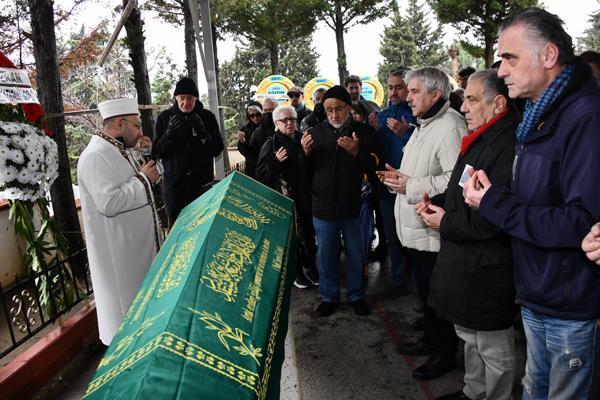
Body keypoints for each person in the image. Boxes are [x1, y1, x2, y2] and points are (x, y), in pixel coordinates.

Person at [463, 8, 600, 399]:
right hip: (537, 291)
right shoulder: (538, 115)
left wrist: (494, 204)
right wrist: (494, 196)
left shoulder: (585, 117)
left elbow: (581, 223)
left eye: (510, 58)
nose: (501, 70)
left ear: (549, 56)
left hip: (569, 302)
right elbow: (539, 199)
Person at [423, 70, 518, 400]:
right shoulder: (481, 137)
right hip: (466, 262)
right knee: (470, 336)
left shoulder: (507, 146)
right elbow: (463, 189)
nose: (463, 108)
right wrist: (436, 202)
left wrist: (444, 223)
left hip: (487, 267)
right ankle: (474, 392)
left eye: (473, 100)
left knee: (494, 348)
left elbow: (496, 220)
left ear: (499, 103)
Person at [379, 67, 466, 380]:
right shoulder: (424, 123)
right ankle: (431, 340)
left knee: (438, 298)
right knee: (428, 296)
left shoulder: (450, 126)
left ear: (435, 95)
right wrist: (400, 178)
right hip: (419, 229)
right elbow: (421, 169)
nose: (408, 96)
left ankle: (444, 354)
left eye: (414, 91)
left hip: (433, 231)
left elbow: (456, 181)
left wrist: (410, 186)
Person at [77, 98, 163, 345]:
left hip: (134, 250)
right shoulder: (95, 156)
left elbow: (140, 181)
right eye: (136, 126)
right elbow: (109, 202)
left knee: (143, 316)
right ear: (118, 123)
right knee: (126, 325)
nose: (140, 132)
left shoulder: (118, 149)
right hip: (119, 259)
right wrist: (142, 179)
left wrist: (146, 171)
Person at [301, 85, 377, 317]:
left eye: (339, 109)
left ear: (348, 107)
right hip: (323, 207)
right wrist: (303, 154)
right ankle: (329, 297)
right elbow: (303, 174)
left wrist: (357, 152)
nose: (334, 115)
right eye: (329, 110)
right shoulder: (314, 133)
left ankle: (356, 295)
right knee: (326, 256)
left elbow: (374, 167)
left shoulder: (363, 133)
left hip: (355, 206)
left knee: (357, 254)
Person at [256, 105, 317, 289]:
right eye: (285, 120)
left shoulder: (302, 139)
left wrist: (307, 154)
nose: (289, 123)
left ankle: (312, 267)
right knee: (292, 240)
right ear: (276, 123)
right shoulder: (271, 144)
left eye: (292, 119)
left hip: (306, 196)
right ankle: (296, 273)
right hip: (284, 199)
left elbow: (313, 167)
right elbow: (261, 174)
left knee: (309, 233)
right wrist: (275, 163)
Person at [368, 68, 416, 294]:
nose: (394, 91)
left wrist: (406, 134)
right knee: (392, 236)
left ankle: (420, 286)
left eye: (399, 87)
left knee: (416, 239)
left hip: (415, 187)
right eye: (390, 86)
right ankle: (397, 280)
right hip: (388, 187)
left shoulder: (418, 114)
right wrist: (371, 130)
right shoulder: (383, 115)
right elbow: (375, 151)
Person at [153, 77, 224, 227]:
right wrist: (168, 135)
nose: (186, 103)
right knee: (177, 228)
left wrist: (203, 133)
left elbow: (217, 149)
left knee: (202, 227)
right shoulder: (164, 118)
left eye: (190, 98)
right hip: (175, 188)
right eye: (182, 98)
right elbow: (157, 152)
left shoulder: (207, 117)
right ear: (176, 98)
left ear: (196, 98)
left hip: (201, 186)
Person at [236, 102, 263, 178]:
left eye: (258, 115)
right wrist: (243, 142)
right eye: (252, 115)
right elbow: (244, 152)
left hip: (266, 166)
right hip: (251, 168)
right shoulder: (245, 130)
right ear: (248, 116)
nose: (255, 118)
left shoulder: (268, 127)